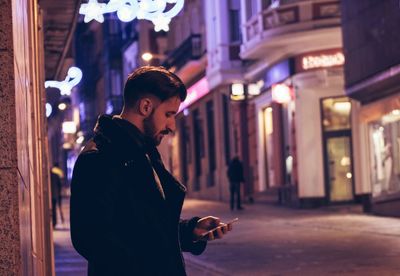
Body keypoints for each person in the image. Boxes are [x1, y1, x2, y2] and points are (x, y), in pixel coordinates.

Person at [70, 66, 233, 276]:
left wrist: (190, 231)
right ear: (146, 106)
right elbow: (91, 238)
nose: (171, 126)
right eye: (168, 114)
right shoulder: (100, 157)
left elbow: (146, 228)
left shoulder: (143, 151)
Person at [50, 163, 64, 227]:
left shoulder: (51, 173)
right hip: (56, 194)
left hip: (52, 194)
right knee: (57, 207)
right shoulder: (57, 173)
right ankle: (61, 219)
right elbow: (60, 184)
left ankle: (54, 222)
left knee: (53, 208)